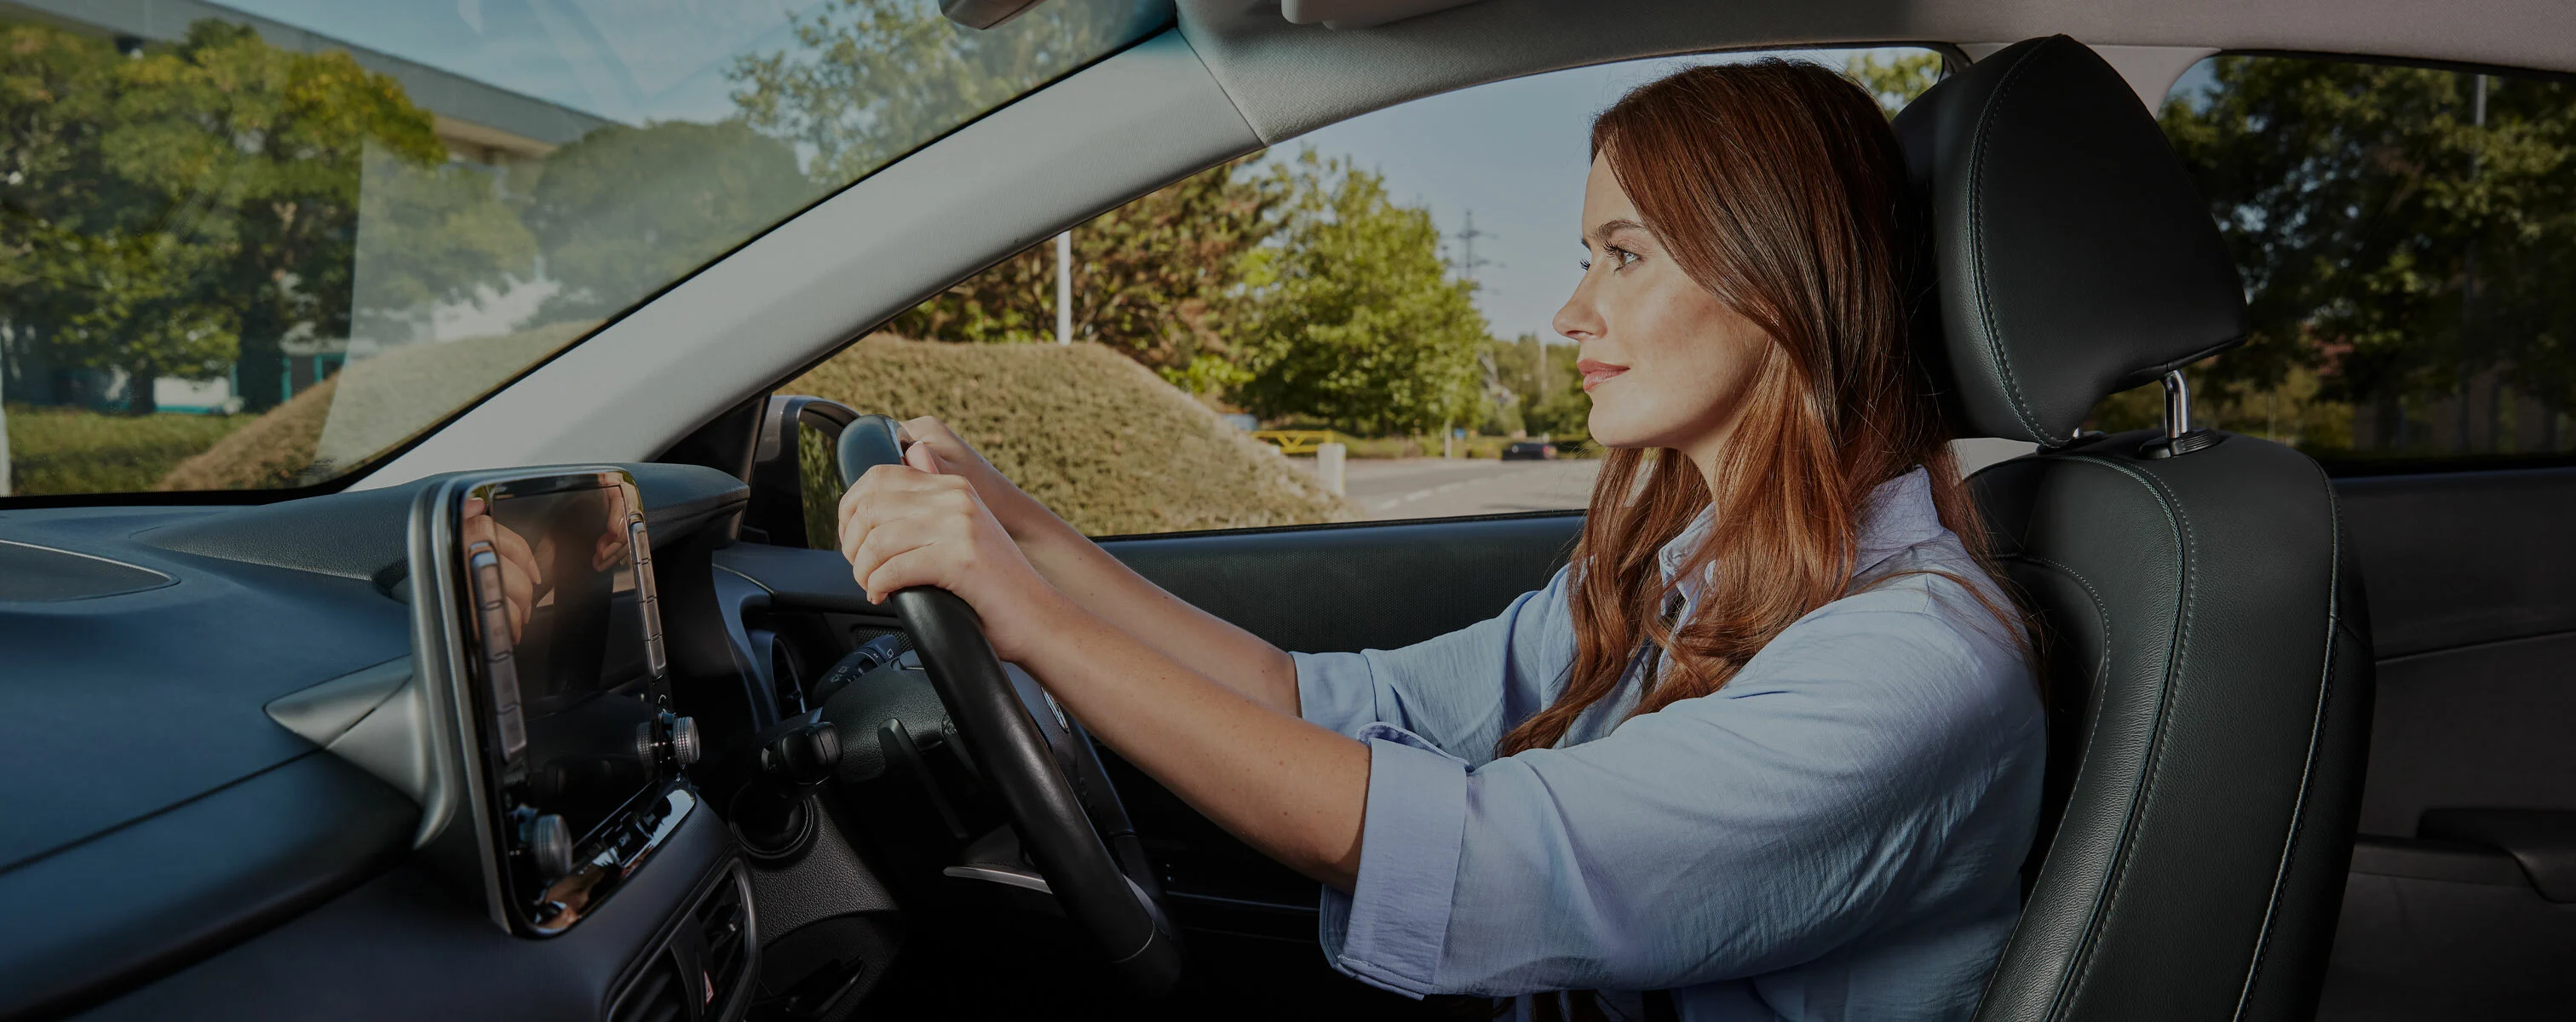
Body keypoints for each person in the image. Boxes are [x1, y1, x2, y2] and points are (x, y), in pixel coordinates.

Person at [834, 60, 2043, 1021]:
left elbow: (1477, 862)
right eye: (1587, 260)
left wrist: (1035, 627)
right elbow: (1316, 698)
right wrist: (1032, 540)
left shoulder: (1915, 664)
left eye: (1624, 256)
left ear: (1780, 274)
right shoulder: (1682, 561)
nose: (1571, 313)